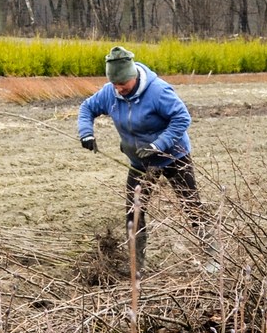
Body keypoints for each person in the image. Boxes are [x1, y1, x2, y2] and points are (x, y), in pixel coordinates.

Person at [76, 46, 206, 267]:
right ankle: (136, 265)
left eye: (123, 85)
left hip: (173, 156)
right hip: (140, 162)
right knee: (133, 212)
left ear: (133, 76)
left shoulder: (158, 92)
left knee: (191, 206)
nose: (119, 89)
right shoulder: (110, 92)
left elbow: (182, 118)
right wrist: (86, 133)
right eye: (115, 85)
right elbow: (87, 108)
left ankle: (212, 253)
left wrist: (159, 145)